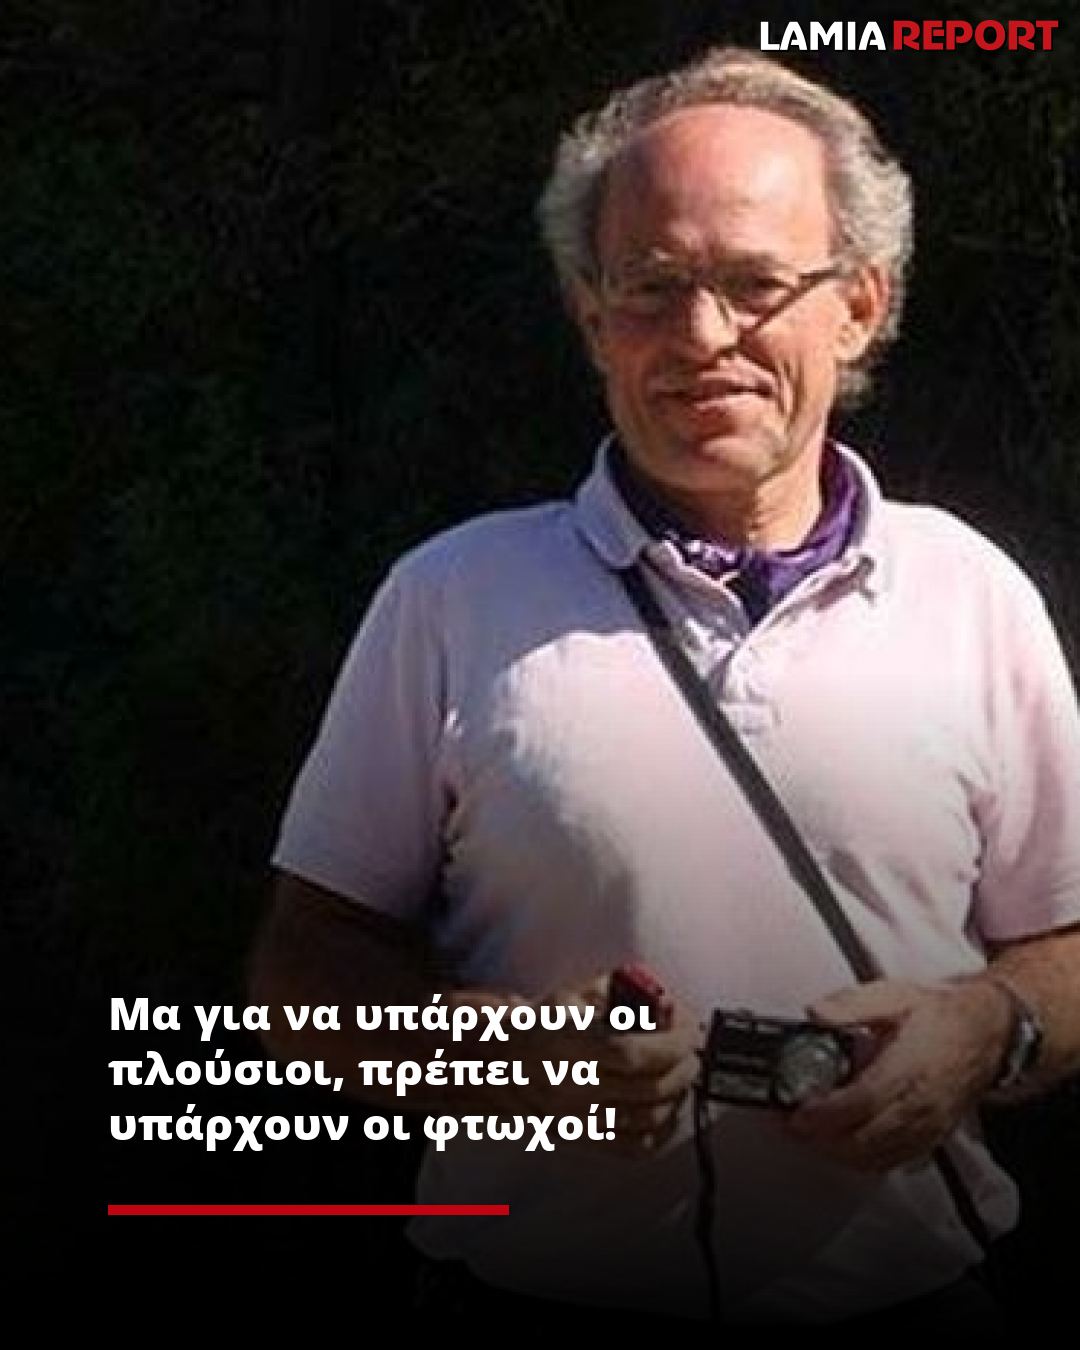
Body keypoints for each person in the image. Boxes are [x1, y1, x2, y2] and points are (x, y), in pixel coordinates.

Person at [250, 47, 1080, 1325]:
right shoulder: (451, 598)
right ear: (593, 319)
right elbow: (299, 987)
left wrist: (984, 1030)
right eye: (650, 286)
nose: (702, 337)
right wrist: (500, 1060)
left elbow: (1068, 953)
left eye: (755, 284)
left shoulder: (974, 596)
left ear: (859, 306)